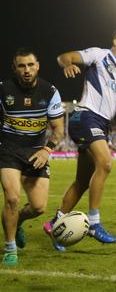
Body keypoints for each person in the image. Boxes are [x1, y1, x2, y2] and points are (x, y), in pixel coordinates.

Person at [43, 26, 116, 249]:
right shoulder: (99, 55)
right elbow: (64, 57)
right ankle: (95, 224)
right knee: (105, 164)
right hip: (85, 116)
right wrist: (68, 64)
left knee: (82, 182)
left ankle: (55, 224)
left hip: (102, 124)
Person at [0, 49, 65, 266]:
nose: (26, 70)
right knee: (12, 198)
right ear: (14, 68)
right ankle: (10, 249)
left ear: (37, 66)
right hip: (8, 150)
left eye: (30, 65)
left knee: (38, 207)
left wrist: (47, 150)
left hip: (37, 151)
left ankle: (17, 221)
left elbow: (58, 130)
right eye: (21, 66)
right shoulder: (4, 90)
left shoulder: (50, 91)